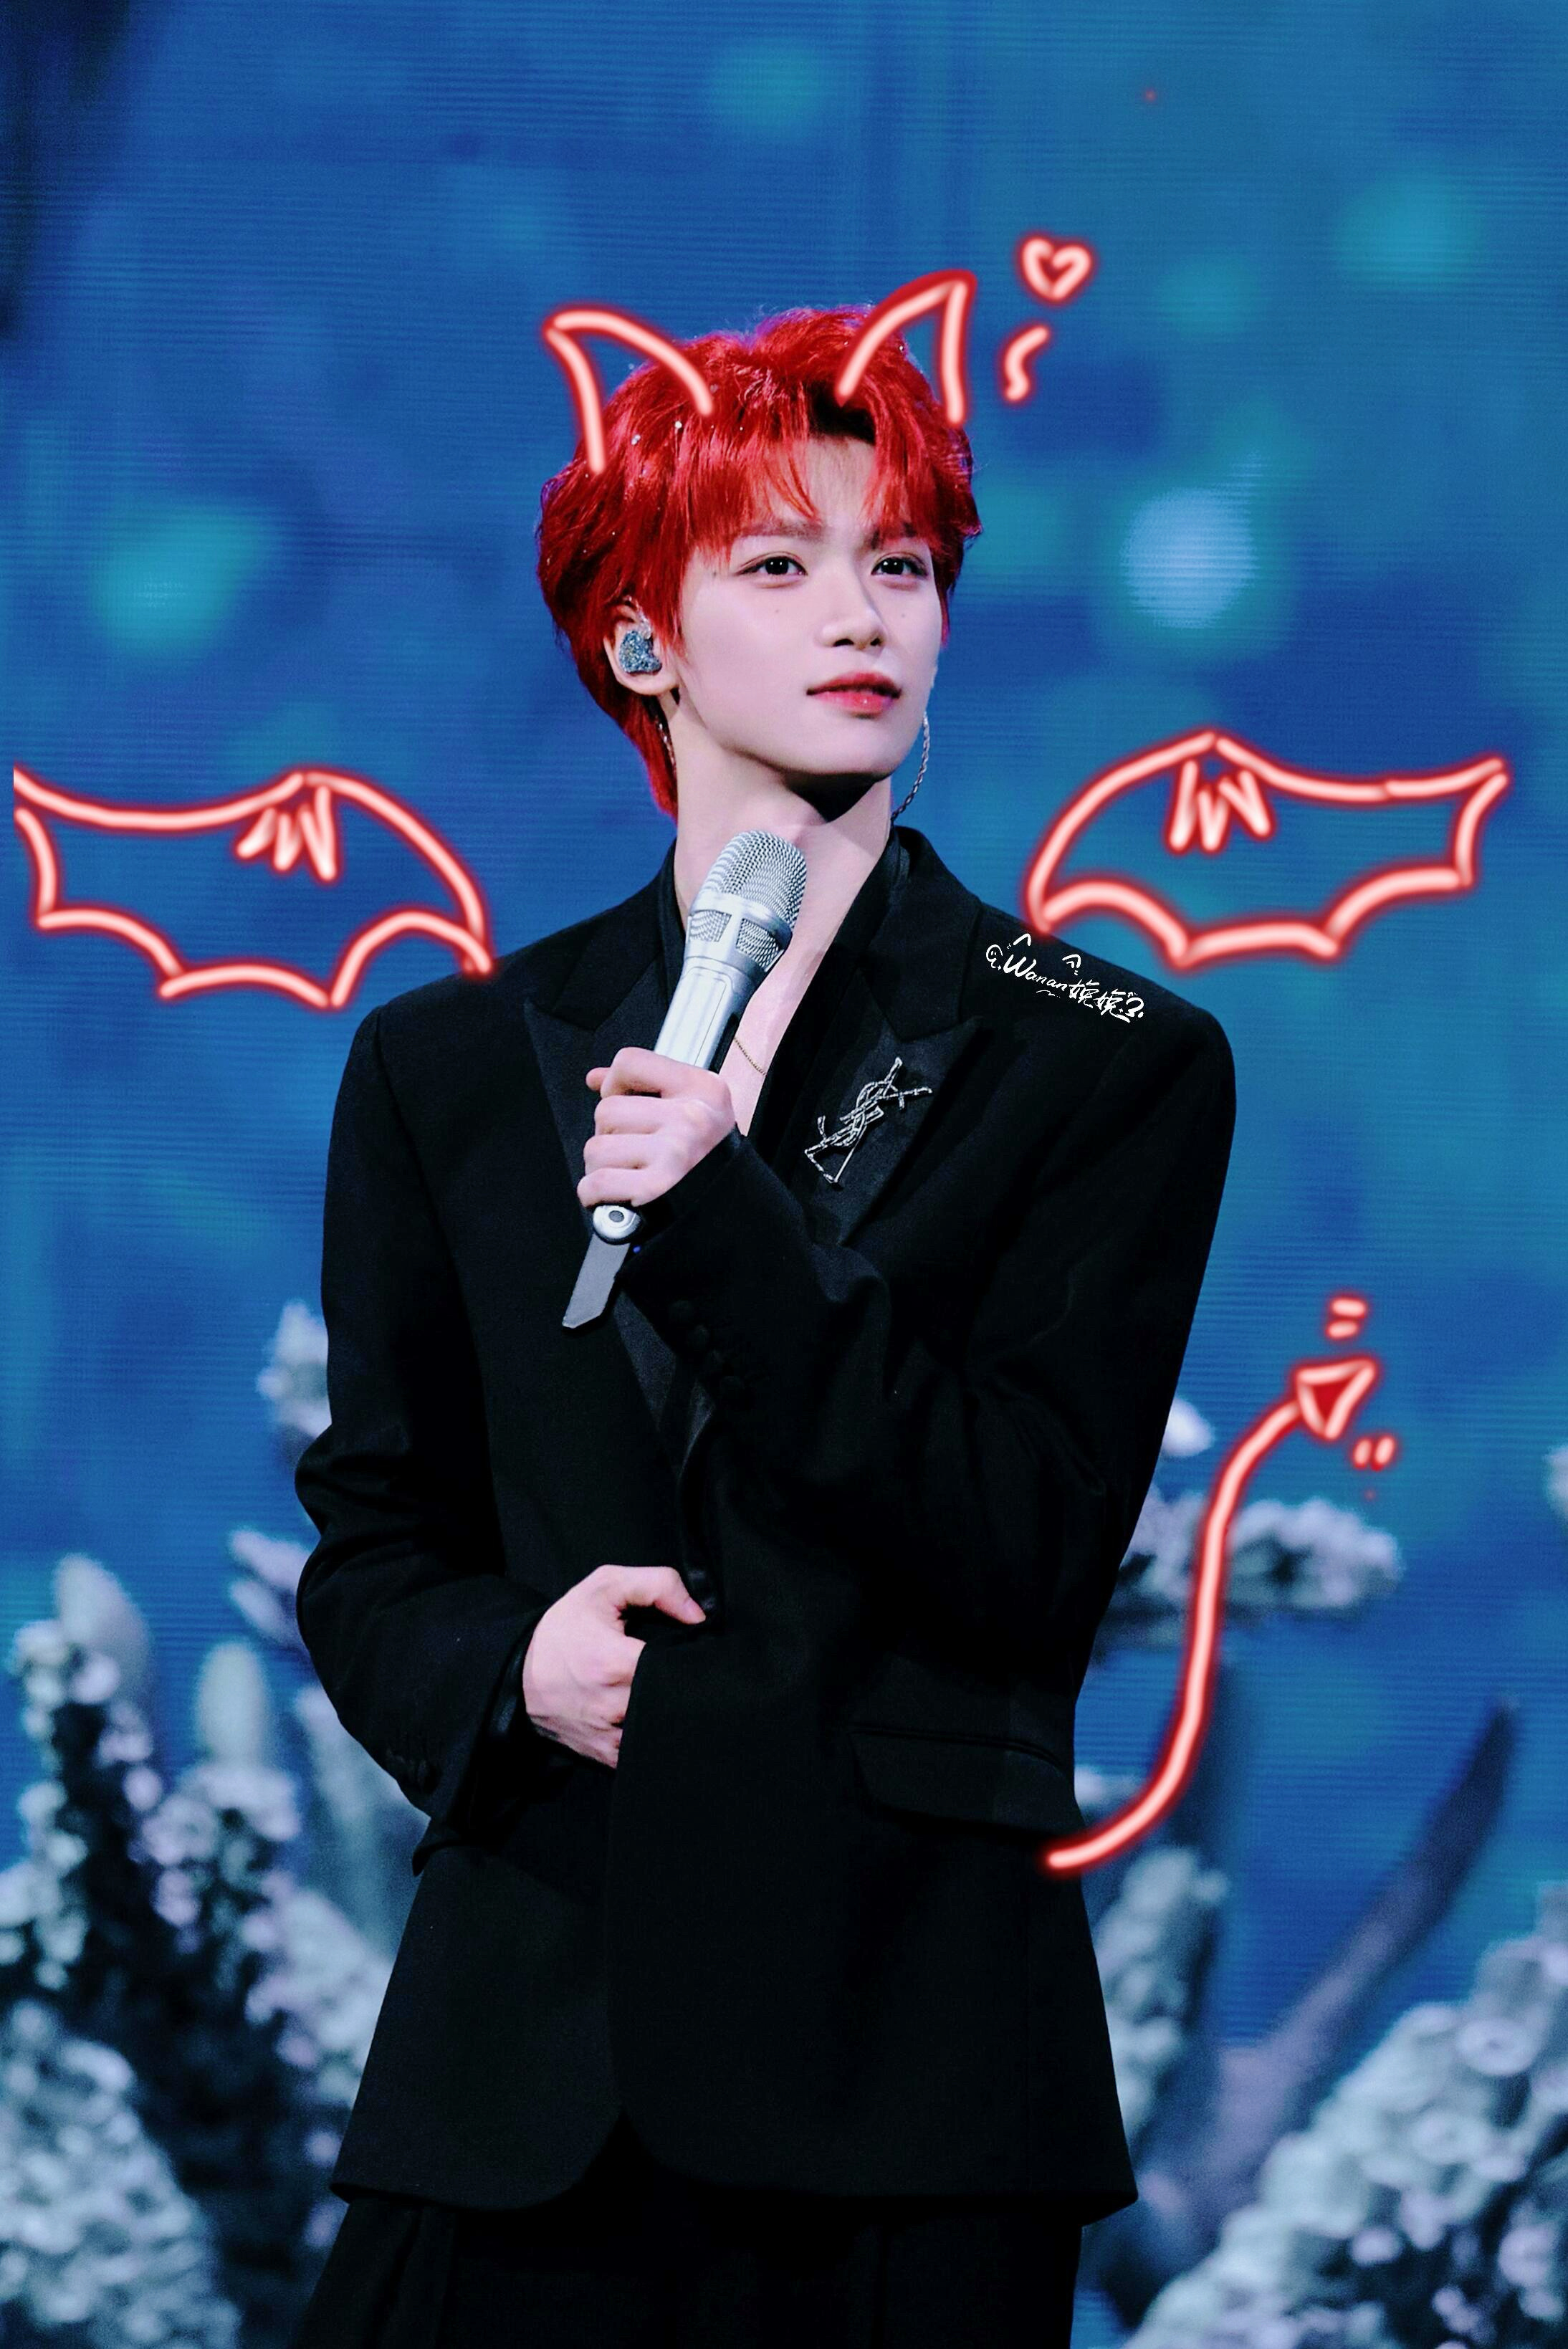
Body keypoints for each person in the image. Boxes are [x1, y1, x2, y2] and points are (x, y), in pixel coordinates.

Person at [289, 305, 1236, 2348]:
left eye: (900, 565)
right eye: (779, 563)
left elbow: (1026, 1539)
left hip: (900, 2078)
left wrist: (724, 1223)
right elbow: (374, 1545)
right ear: (642, 637)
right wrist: (508, 1666)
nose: (861, 615)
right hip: (521, 2068)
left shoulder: (1104, 1056)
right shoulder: (453, 1065)